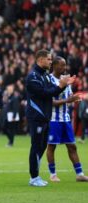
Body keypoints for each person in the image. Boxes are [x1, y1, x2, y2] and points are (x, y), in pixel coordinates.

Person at [26, 50, 75, 187]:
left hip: (45, 117)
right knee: (36, 146)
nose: (50, 62)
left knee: (42, 146)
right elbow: (45, 93)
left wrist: (64, 84)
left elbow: (53, 90)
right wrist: (61, 86)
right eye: (48, 59)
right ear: (40, 60)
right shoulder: (33, 77)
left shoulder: (45, 76)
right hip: (37, 117)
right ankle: (34, 177)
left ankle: (36, 175)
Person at [46, 56, 88, 182]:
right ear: (54, 65)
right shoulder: (48, 80)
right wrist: (67, 100)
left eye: (65, 65)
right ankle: (52, 174)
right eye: (61, 65)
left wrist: (74, 98)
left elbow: (68, 96)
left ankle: (79, 174)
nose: (64, 68)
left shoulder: (66, 80)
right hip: (53, 119)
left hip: (65, 119)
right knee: (52, 147)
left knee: (72, 146)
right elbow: (49, 101)